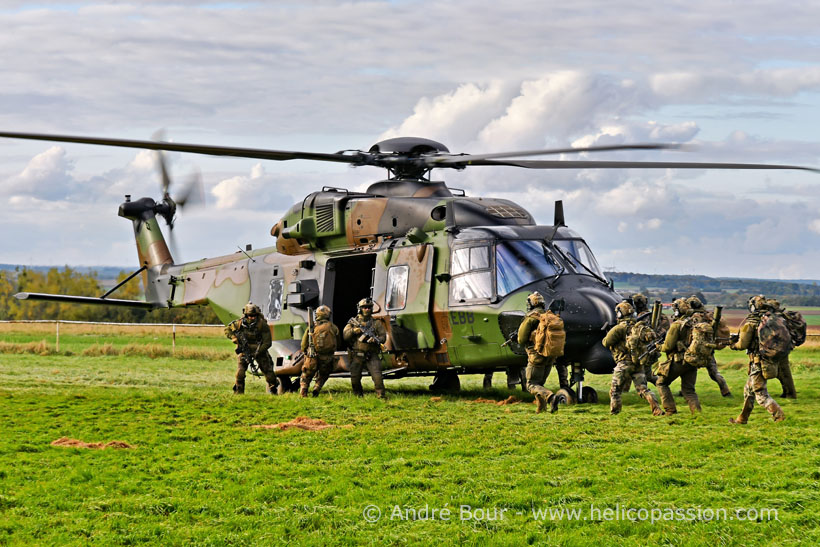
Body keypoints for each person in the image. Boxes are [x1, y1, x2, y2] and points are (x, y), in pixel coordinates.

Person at [728, 296, 786, 423]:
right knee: (748, 391)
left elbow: (742, 344)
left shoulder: (751, 323)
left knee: (760, 394)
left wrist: (733, 345)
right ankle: (742, 419)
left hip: (758, 362)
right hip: (768, 360)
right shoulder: (770, 320)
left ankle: (779, 416)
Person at [603, 300, 664, 416]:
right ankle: (656, 409)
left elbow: (606, 343)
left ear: (620, 314)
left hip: (624, 364)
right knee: (643, 389)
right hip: (638, 362)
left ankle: (614, 412)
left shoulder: (619, 328)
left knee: (615, 390)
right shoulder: (638, 327)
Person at [517, 292, 565, 413]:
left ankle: (551, 397)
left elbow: (521, 339)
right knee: (539, 384)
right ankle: (541, 410)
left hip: (536, 355)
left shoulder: (531, 318)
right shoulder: (550, 316)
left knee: (531, 384)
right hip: (550, 355)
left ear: (532, 304)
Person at [657, 298, 702, 415]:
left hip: (678, 361)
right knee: (689, 390)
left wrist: (658, 346)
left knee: (661, 383)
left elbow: (667, 346)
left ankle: (670, 410)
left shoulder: (676, 326)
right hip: (692, 360)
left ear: (677, 311)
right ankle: (697, 413)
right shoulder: (695, 323)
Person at [225, 302, 279, 395]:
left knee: (269, 373)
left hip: (259, 350)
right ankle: (239, 393)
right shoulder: (239, 323)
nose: (252, 318)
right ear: (246, 315)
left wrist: (258, 352)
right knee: (240, 373)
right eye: (250, 316)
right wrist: (234, 339)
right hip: (244, 350)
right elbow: (227, 330)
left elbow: (267, 342)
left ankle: (273, 388)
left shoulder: (262, 324)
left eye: (254, 316)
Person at [686, 295, 732, 397]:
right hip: (709, 350)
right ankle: (725, 391)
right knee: (714, 373)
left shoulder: (694, 318)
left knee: (688, 372)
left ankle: (687, 390)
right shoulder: (708, 317)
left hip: (695, 349)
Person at [343, 298, 387, 398]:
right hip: (357, 355)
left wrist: (376, 340)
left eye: (369, 307)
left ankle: (381, 395)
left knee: (377, 377)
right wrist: (354, 331)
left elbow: (383, 337)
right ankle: (358, 396)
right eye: (364, 307)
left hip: (372, 355)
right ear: (360, 309)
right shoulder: (353, 323)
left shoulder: (376, 323)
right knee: (355, 378)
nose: (367, 309)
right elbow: (345, 336)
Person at [299, 305, 340, 397]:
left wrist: (305, 352)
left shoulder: (312, 327)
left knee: (306, 374)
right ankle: (317, 388)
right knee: (323, 374)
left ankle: (303, 392)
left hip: (312, 356)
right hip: (327, 357)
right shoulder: (333, 327)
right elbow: (338, 342)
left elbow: (303, 343)